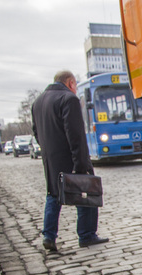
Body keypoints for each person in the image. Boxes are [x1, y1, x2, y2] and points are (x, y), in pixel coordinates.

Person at [32, 70, 108, 251]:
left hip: (51, 160)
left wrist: (48, 150)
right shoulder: (69, 99)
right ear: (71, 83)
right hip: (70, 157)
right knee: (85, 193)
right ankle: (86, 235)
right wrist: (81, 164)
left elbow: (36, 132)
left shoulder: (37, 102)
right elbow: (76, 135)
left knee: (53, 195)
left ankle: (49, 235)